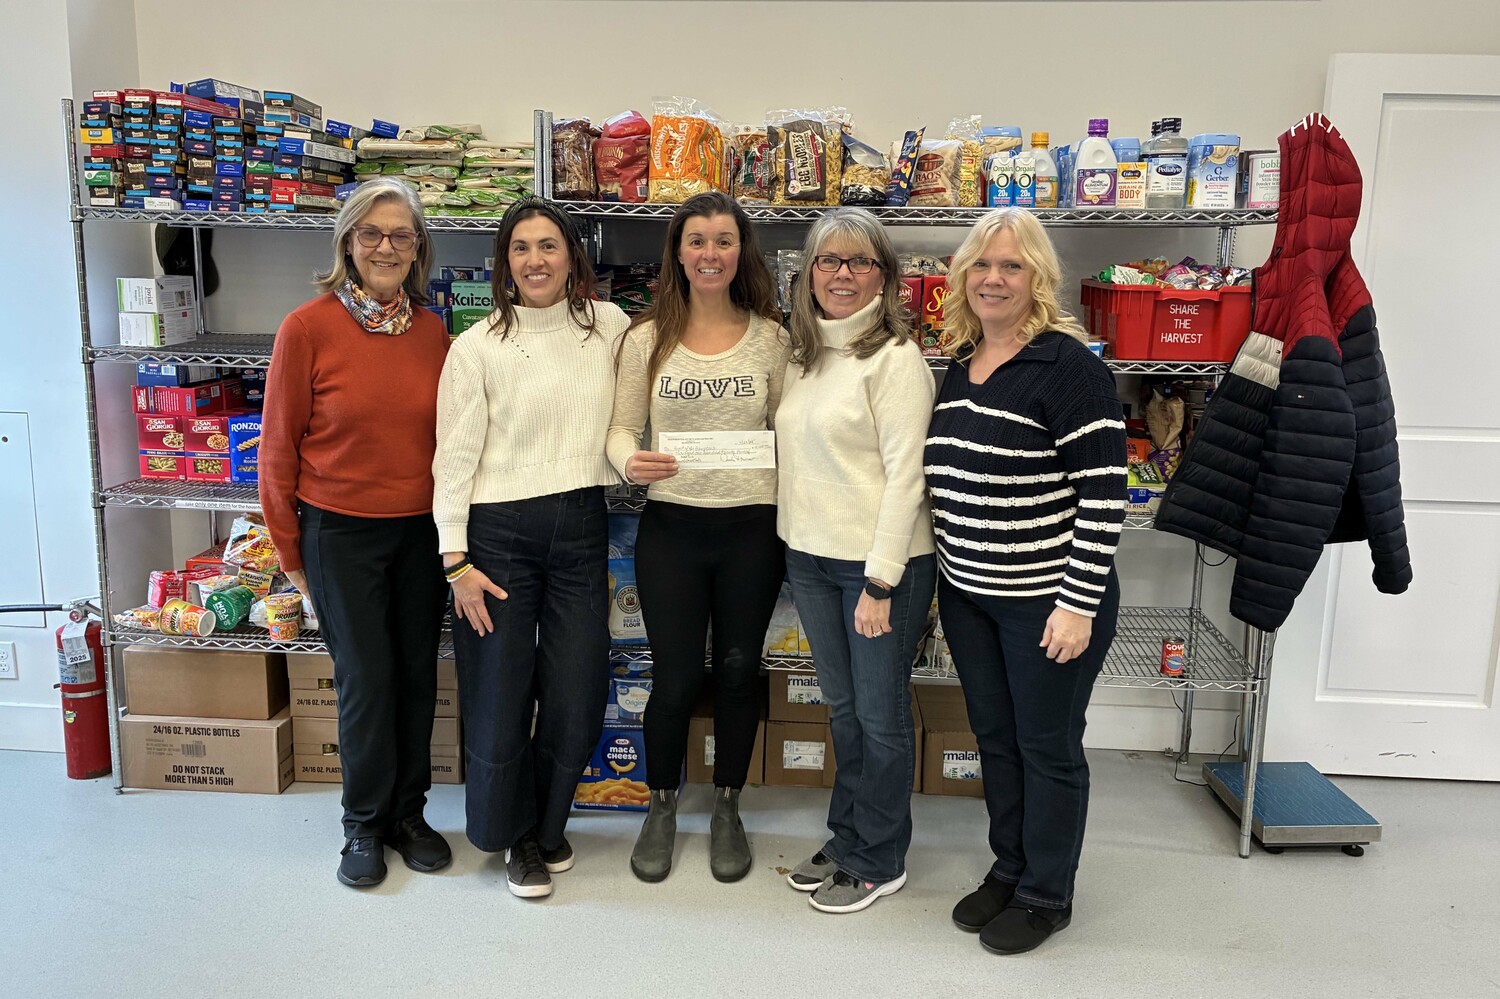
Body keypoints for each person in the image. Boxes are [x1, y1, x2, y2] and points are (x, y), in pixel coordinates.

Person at [924, 207, 1127, 955]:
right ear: (963, 277)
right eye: (981, 264)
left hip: (1048, 602)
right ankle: (1009, 867)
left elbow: (1107, 494)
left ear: (1038, 276)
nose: (993, 278)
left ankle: (1048, 891)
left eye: (1010, 265)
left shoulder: (1070, 368)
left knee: (1047, 745)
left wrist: (1076, 604)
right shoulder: (963, 358)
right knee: (996, 740)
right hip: (972, 596)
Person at [432, 197, 631, 900]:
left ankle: (549, 824)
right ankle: (514, 836)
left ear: (573, 257)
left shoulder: (609, 327)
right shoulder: (477, 344)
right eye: (522, 248)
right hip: (496, 535)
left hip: (581, 523)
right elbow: (452, 458)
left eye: (550, 246)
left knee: (578, 691)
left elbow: (626, 417)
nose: (537, 260)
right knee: (499, 694)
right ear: (504, 262)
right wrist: (455, 559)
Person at [259, 178, 451, 889]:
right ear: (347, 241)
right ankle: (363, 824)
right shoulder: (306, 328)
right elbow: (276, 450)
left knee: (414, 676)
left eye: (402, 235)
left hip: (419, 533)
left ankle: (408, 813)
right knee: (367, 680)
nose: (387, 247)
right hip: (338, 534)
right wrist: (292, 556)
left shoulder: (432, 330)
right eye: (372, 233)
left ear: (418, 248)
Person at [606, 192, 789, 884]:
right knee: (676, 675)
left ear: (741, 252)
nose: (710, 253)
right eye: (697, 241)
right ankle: (660, 803)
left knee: (741, 669)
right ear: (677, 253)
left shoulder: (772, 338)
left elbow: (789, 427)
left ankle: (728, 804)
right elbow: (622, 427)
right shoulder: (644, 337)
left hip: (752, 529)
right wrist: (628, 458)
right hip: (673, 528)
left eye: (723, 241)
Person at [776, 208, 937, 914]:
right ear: (808, 273)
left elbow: (908, 479)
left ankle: (880, 856)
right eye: (829, 261)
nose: (843, 274)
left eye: (859, 262)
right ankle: (847, 837)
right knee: (843, 710)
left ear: (885, 276)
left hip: (878, 569)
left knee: (879, 716)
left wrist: (880, 580)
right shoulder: (804, 353)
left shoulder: (896, 360)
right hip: (810, 558)